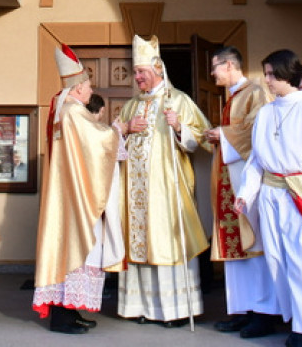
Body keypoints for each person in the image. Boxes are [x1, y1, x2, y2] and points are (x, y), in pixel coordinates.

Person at [235, 50, 302, 347]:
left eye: (271, 74)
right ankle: (294, 318)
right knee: (277, 258)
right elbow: (257, 160)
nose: (266, 80)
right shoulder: (267, 112)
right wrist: (246, 194)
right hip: (270, 193)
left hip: (299, 194)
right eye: (265, 73)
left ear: (287, 73)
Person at [115, 34, 210, 327]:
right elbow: (113, 138)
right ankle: (140, 307)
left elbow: (203, 139)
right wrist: (126, 130)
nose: (137, 77)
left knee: (166, 241)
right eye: (135, 72)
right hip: (134, 191)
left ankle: (175, 310)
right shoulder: (131, 105)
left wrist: (180, 127)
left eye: (141, 72)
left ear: (158, 69)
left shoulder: (178, 100)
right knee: (139, 244)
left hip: (167, 190)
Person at [32, 44, 125, 334]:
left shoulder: (63, 108)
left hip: (70, 191)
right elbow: (98, 144)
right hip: (76, 195)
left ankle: (71, 312)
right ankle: (61, 318)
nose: (89, 89)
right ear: (76, 87)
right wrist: (119, 131)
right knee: (76, 250)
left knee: (72, 250)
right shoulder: (74, 111)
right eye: (86, 84)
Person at [204, 46, 278, 338]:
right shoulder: (232, 96)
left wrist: (222, 134)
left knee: (253, 244)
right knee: (235, 247)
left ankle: (263, 313)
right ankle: (242, 309)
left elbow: (255, 132)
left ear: (230, 65)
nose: (212, 73)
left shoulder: (255, 93)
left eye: (215, 67)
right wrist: (216, 135)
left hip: (247, 182)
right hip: (229, 179)